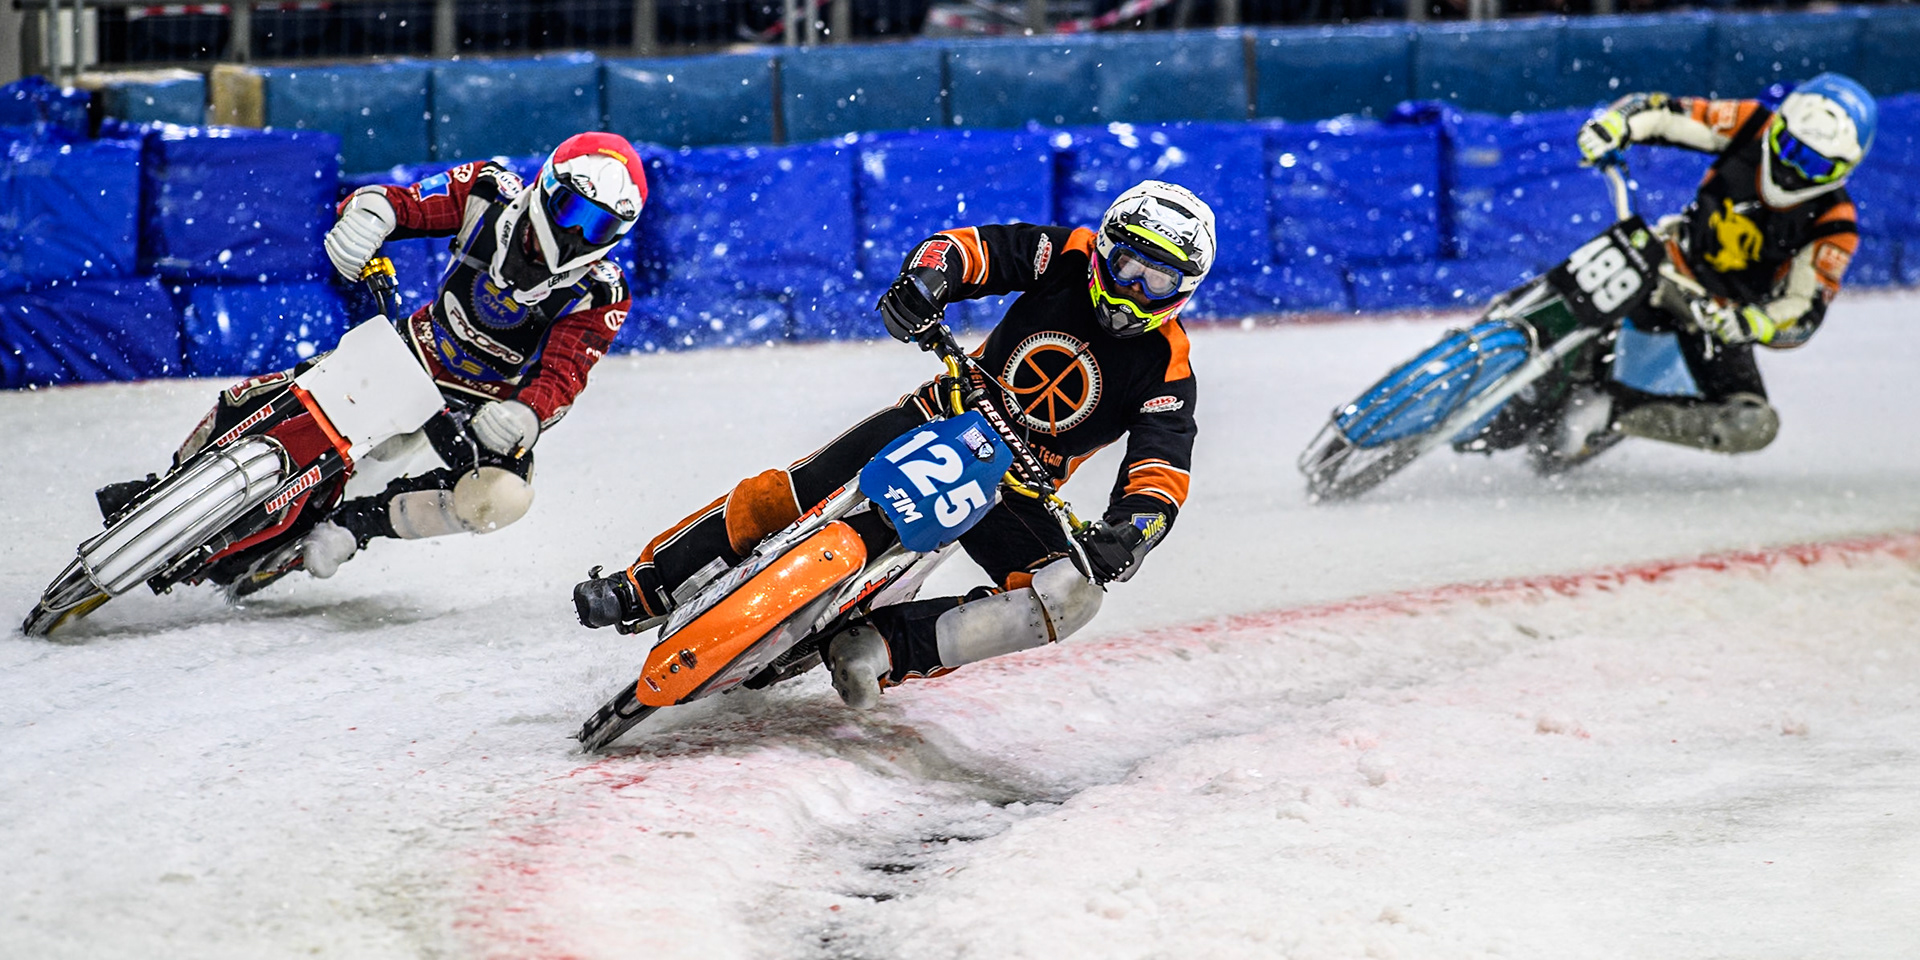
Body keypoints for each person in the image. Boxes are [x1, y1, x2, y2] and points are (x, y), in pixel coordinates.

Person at [573, 180, 1213, 709]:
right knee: (793, 492)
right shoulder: (1064, 253)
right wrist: (926, 283)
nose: (1136, 291)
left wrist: (1133, 532)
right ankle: (646, 583)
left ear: (1184, 292)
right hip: (942, 415)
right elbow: (972, 251)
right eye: (1129, 266)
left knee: (1072, 597)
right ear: (1104, 250)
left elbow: (1161, 469)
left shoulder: (1170, 368)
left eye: (1159, 282)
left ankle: (882, 649)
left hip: (1014, 488)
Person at [101, 132, 647, 585]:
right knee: (265, 395)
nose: (576, 234)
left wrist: (526, 414)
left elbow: (564, 375)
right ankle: (166, 484)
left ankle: (354, 525)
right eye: (572, 210)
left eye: (596, 227)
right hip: (411, 351)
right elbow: (406, 202)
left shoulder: (602, 292)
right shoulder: (491, 189)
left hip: (481, 412)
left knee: (503, 498)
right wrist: (371, 212)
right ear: (546, 187)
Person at [1547, 72, 1875, 465]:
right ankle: (1528, 328)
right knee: (1607, 262)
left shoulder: (1834, 223)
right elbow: (1665, 114)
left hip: (1720, 319)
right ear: (1779, 128)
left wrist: (1755, 324)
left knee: (1753, 423)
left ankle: (1614, 412)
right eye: (1790, 148)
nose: (1794, 169)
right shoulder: (1752, 122)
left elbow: (1804, 309)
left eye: (1816, 165)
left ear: (1844, 169)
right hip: (1665, 264)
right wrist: (1617, 126)